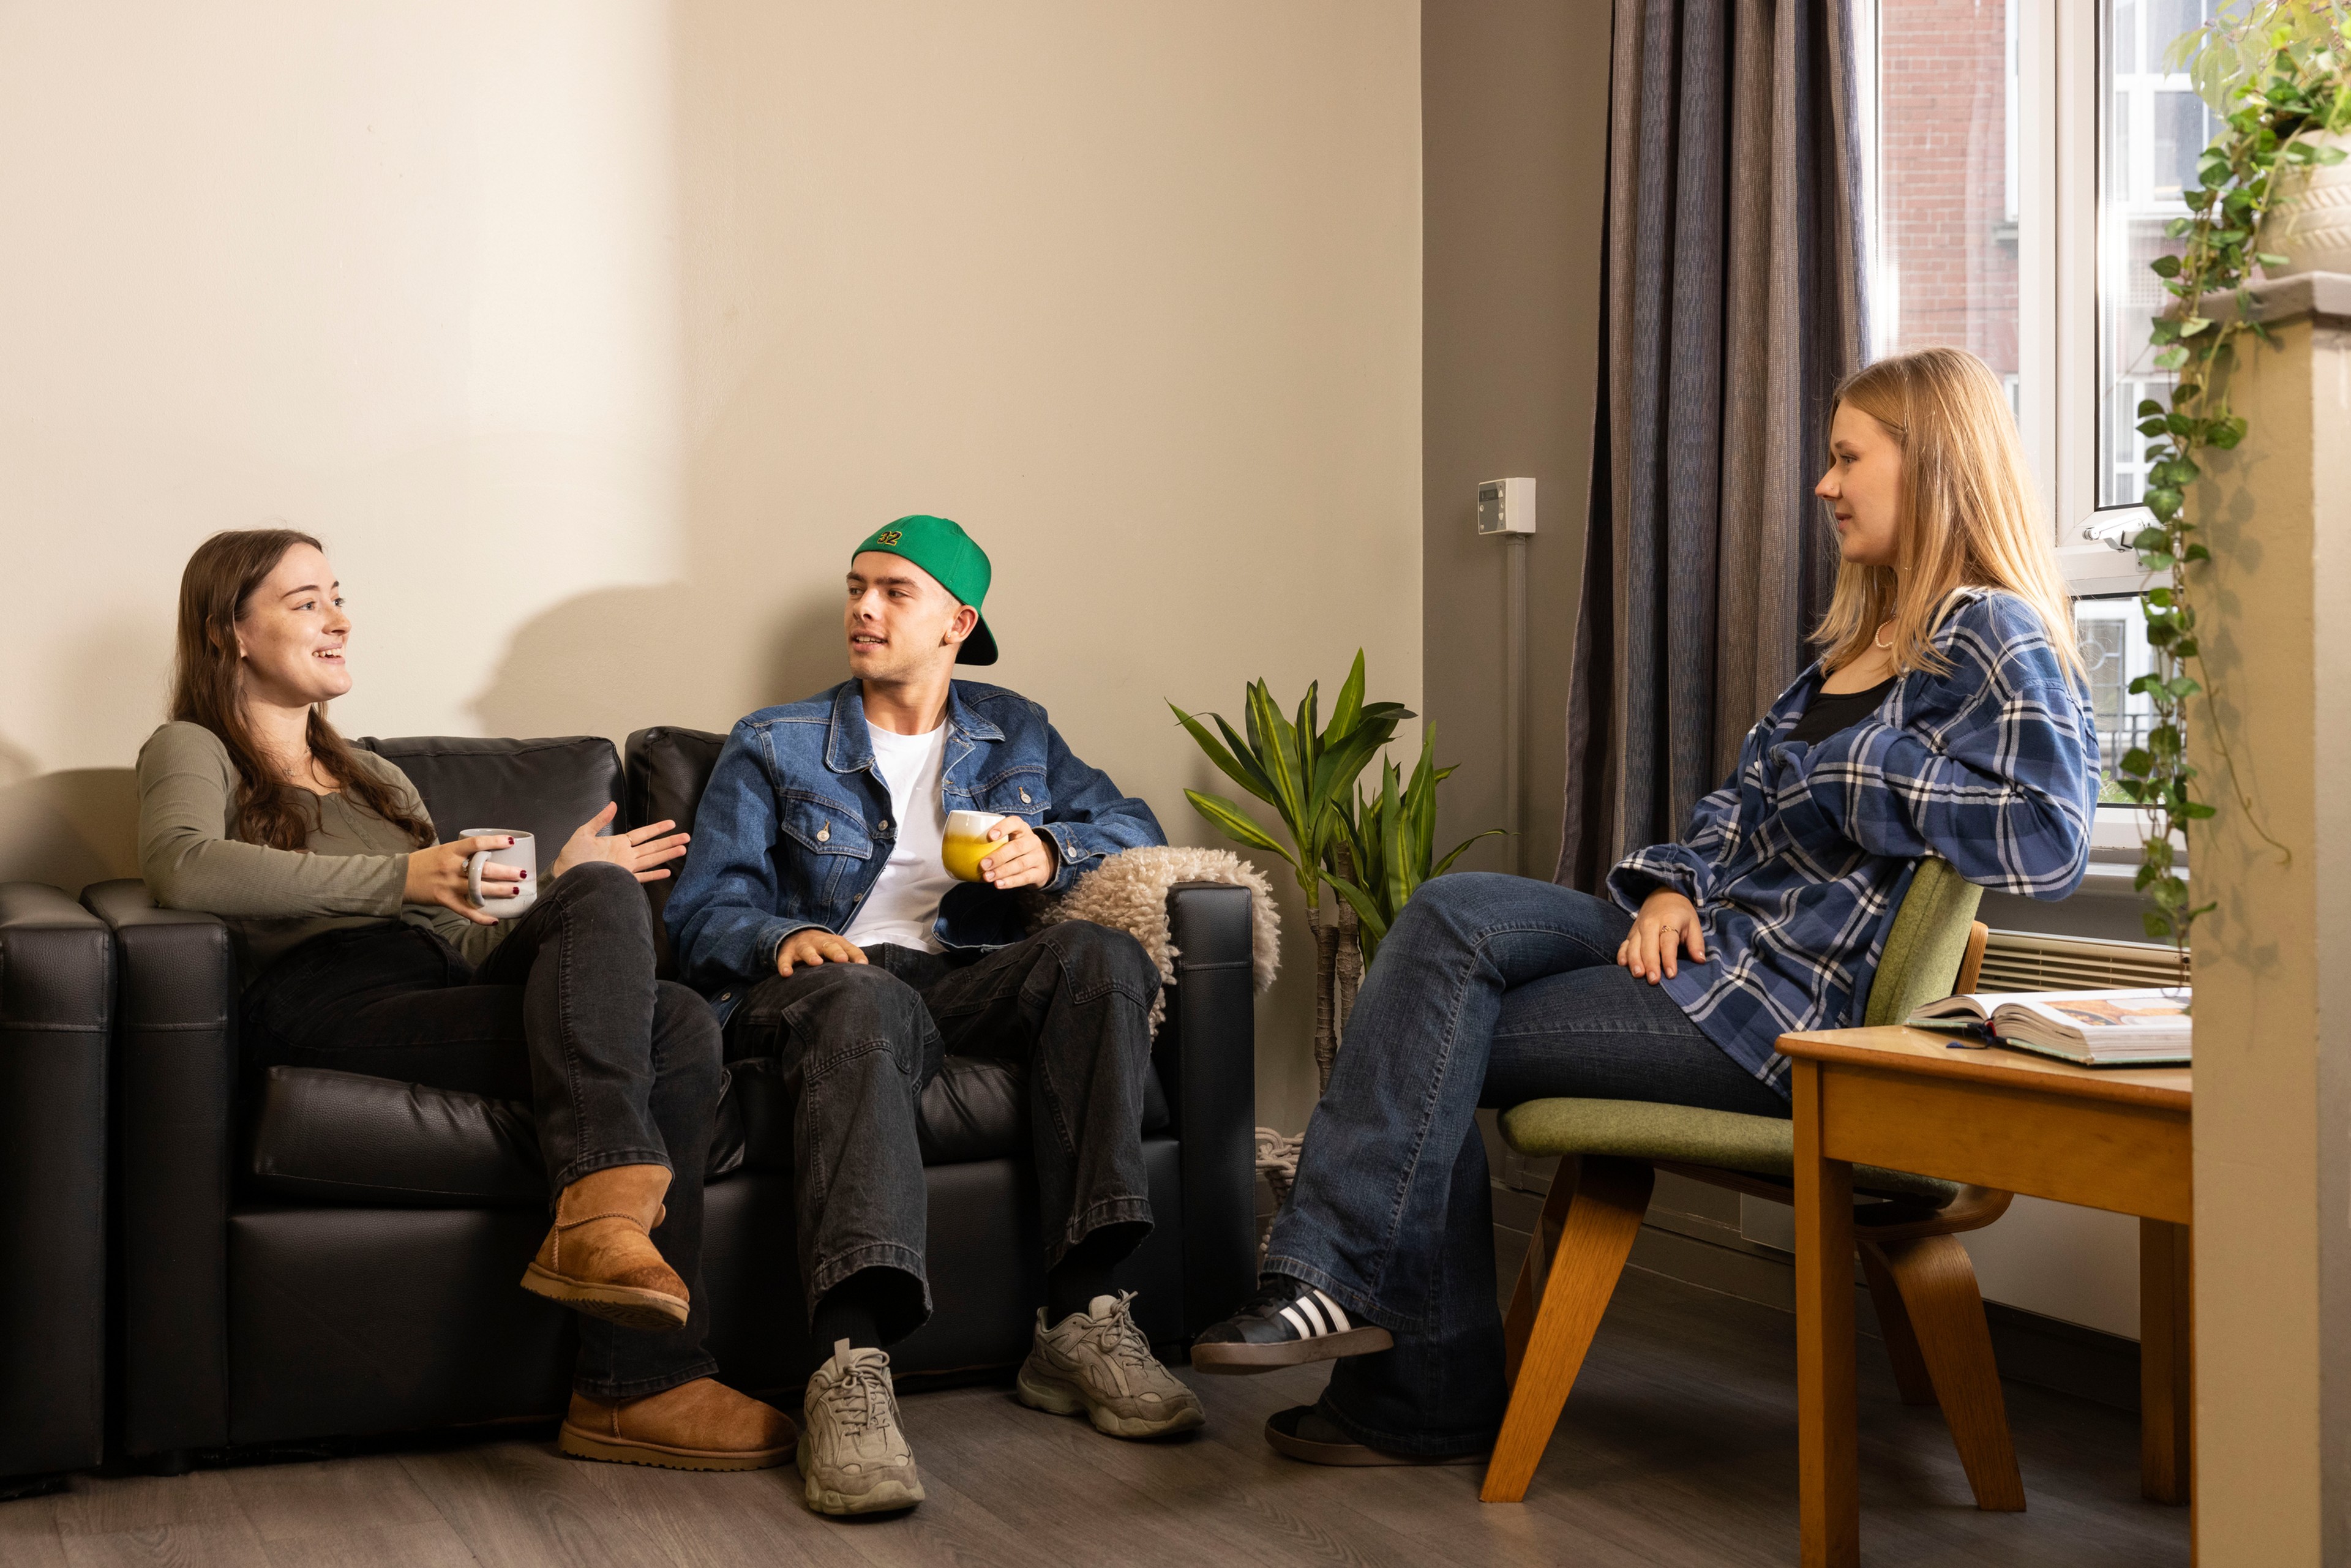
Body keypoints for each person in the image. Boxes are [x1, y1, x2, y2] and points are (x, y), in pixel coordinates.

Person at [1187, 346, 2102, 1465]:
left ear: (1935, 464)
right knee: (1450, 912)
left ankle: (1389, 1360)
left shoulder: (1987, 628)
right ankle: (1375, 1345)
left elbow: (2050, 830)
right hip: (1709, 955)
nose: (1823, 484)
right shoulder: (1846, 654)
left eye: (1845, 457)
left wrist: (1845, 773)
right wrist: (1674, 882)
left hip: (1771, 1013)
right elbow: (1732, 811)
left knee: (1426, 1037)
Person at [138, 528, 794, 1472]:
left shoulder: (379, 776)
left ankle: (621, 1328)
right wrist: (402, 874)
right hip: (330, 1000)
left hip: (436, 985)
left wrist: (564, 885)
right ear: (229, 632)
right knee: (656, 999)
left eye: (339, 594)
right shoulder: (193, 745)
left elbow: (465, 942)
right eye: (306, 601)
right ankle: (632, 1340)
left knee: (674, 1004)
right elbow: (181, 867)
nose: (339, 617)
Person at [664, 514, 1198, 1518]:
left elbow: (1134, 826)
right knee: (864, 996)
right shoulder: (774, 744)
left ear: (959, 620)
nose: (863, 609)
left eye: (893, 591)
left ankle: (1080, 1317)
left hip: (960, 975)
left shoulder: (1016, 729)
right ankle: (849, 1366)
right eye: (855, 587)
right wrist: (783, 937)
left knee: (1102, 953)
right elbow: (700, 915)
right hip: (822, 986)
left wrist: (1050, 848)